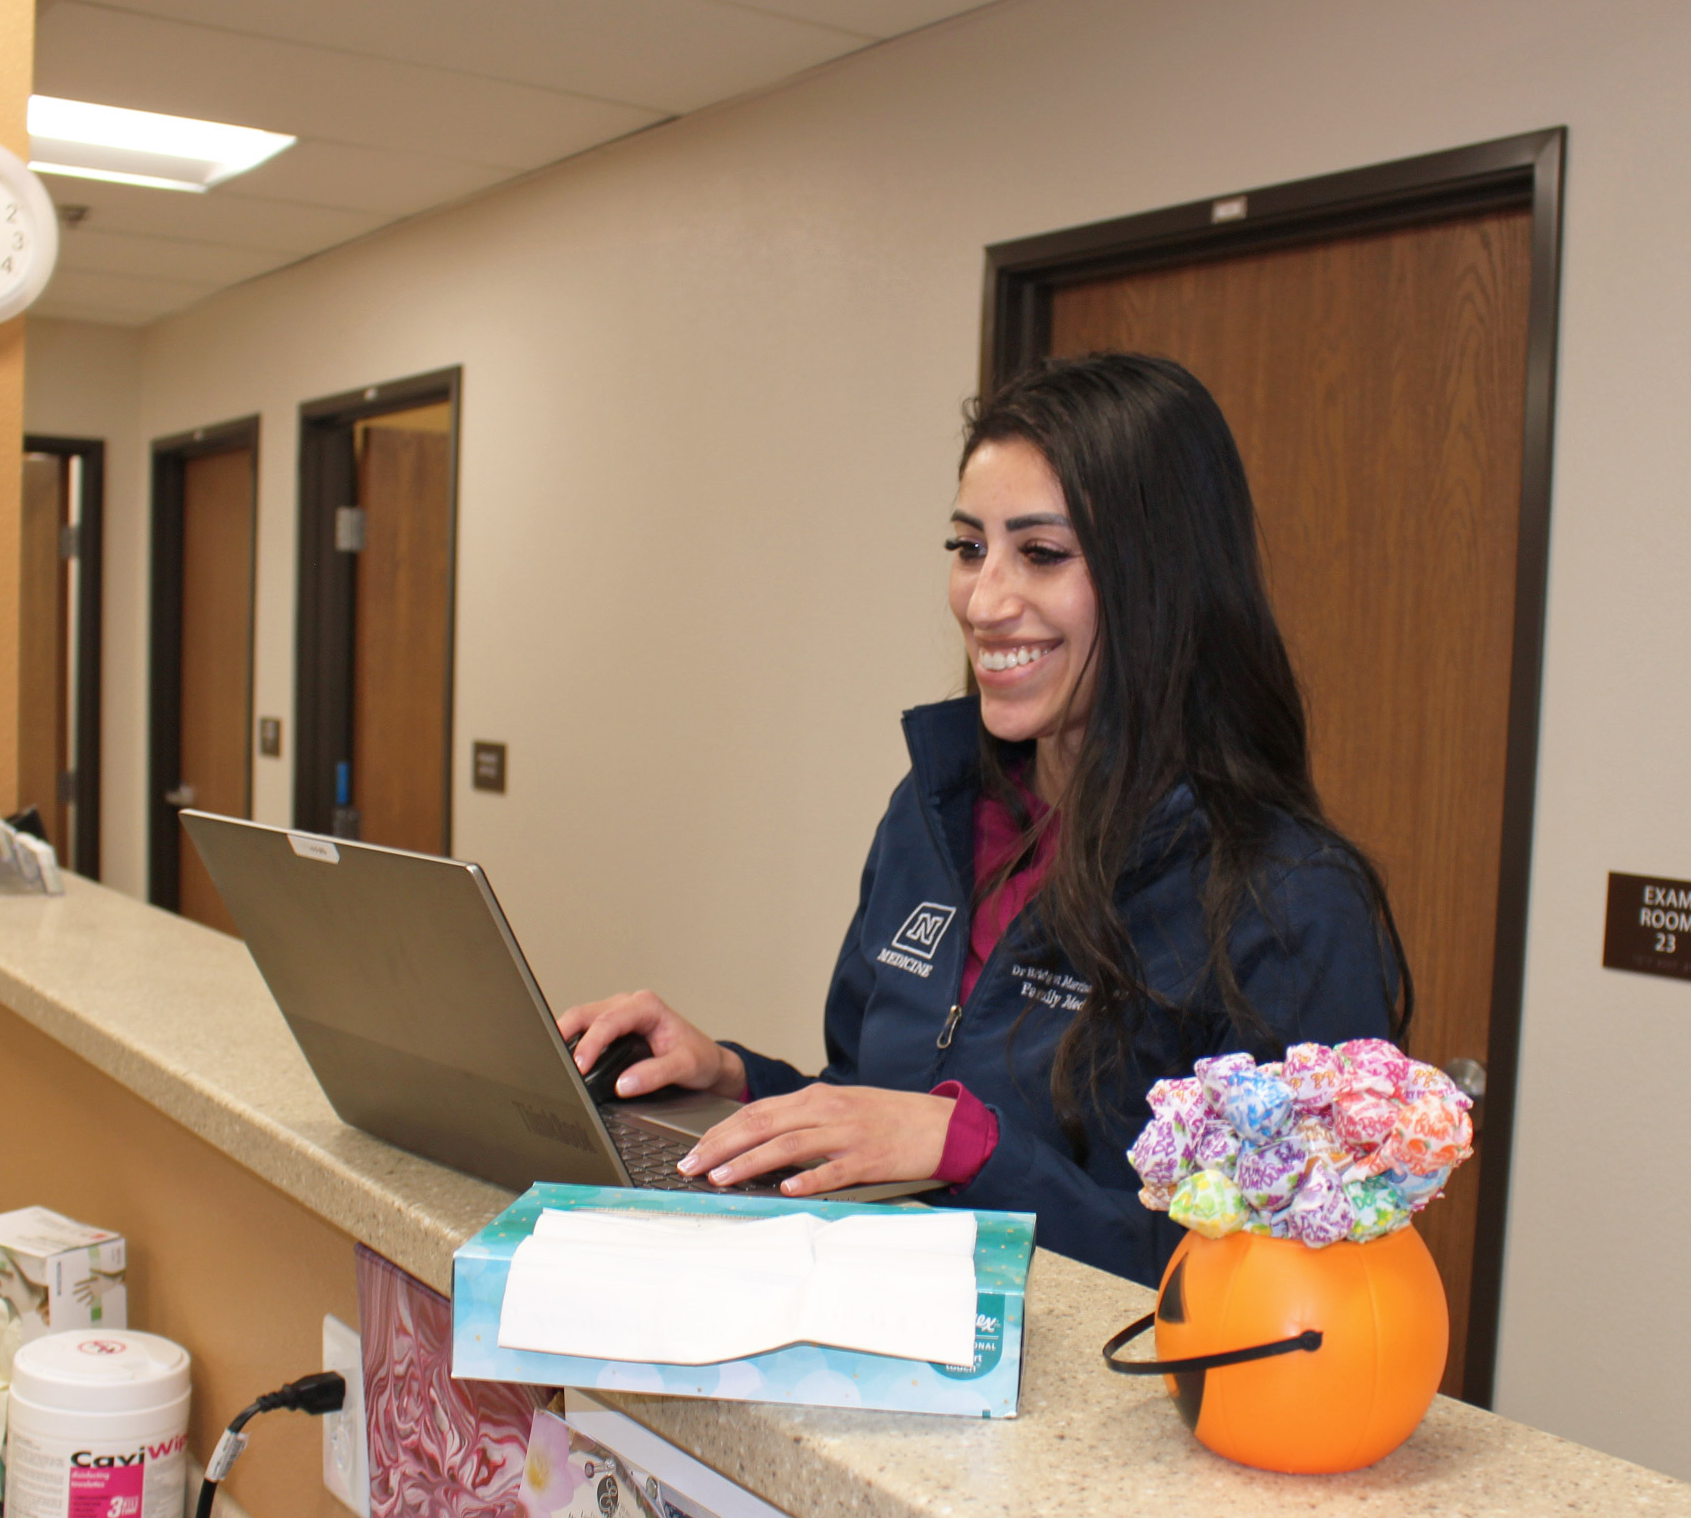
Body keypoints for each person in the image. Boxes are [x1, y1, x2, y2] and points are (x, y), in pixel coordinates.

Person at [559, 352, 1411, 1288]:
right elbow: (883, 1113)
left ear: (1161, 580)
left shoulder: (1286, 903)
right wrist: (733, 1078)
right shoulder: (935, 814)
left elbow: (1278, 1284)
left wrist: (974, 1151)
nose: (985, 600)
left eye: (1040, 553)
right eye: (969, 548)